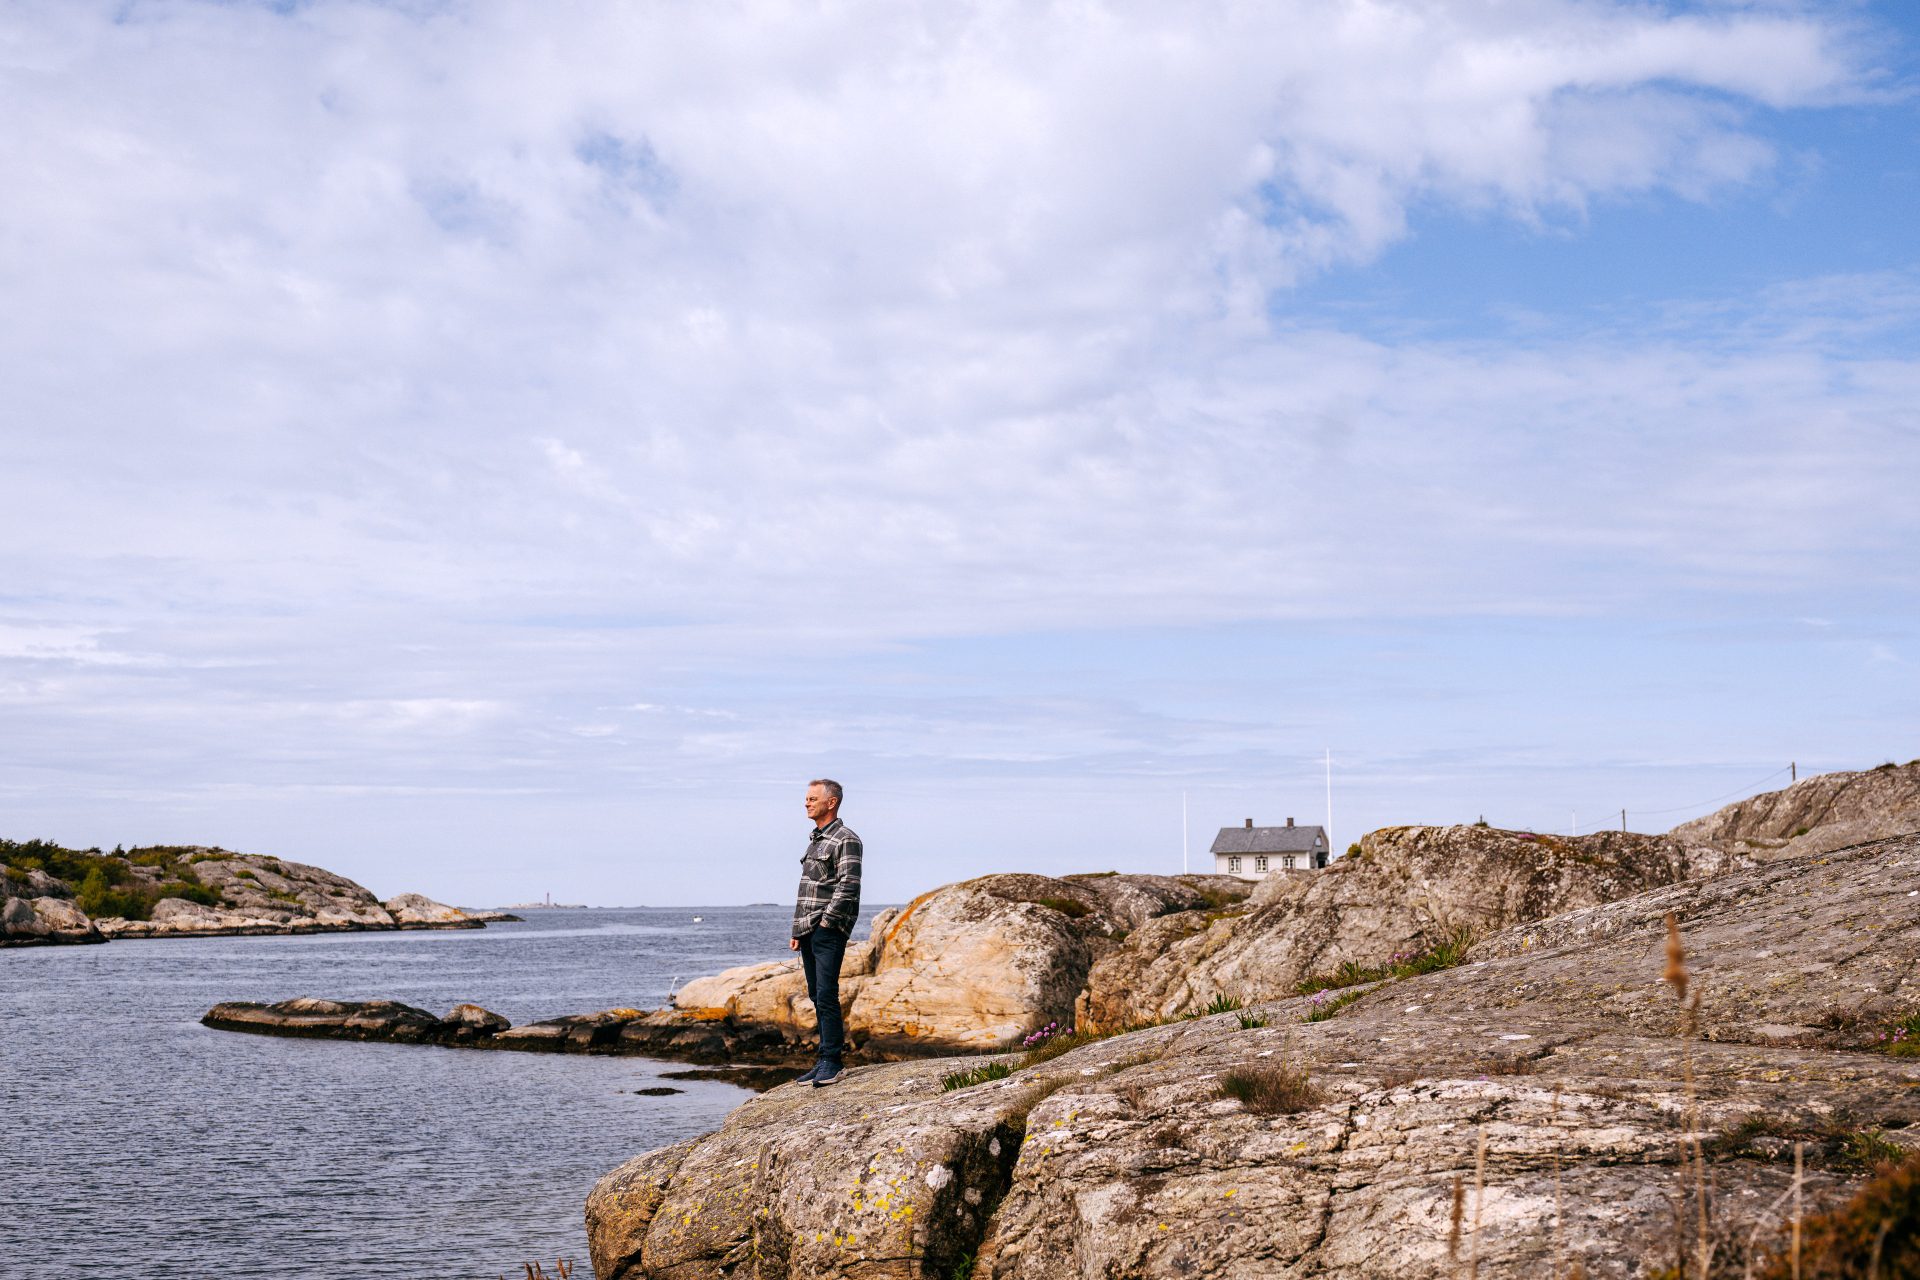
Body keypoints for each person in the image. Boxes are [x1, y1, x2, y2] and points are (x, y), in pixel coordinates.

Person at [789, 778, 862, 1086]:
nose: (806, 802)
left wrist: (826, 923)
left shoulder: (846, 839)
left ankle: (832, 1062)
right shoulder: (815, 841)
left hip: (827, 929)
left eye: (812, 798)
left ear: (831, 802)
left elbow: (849, 885)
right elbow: (807, 891)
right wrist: (797, 929)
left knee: (827, 994)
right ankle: (822, 1061)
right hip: (808, 929)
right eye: (806, 798)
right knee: (816, 995)